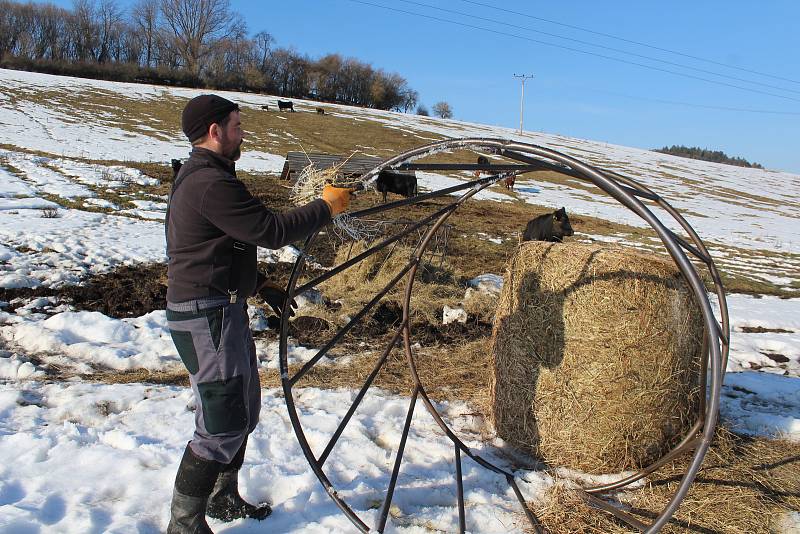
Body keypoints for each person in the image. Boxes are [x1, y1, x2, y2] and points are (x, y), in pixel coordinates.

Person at [165, 94, 352, 533]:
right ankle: (184, 525)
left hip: (222, 308)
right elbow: (269, 231)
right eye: (236, 124)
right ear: (215, 131)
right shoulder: (209, 183)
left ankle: (222, 497)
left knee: (242, 410)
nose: (242, 131)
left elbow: (223, 245)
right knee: (220, 422)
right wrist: (326, 207)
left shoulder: (210, 176)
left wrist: (259, 285)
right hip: (206, 314)